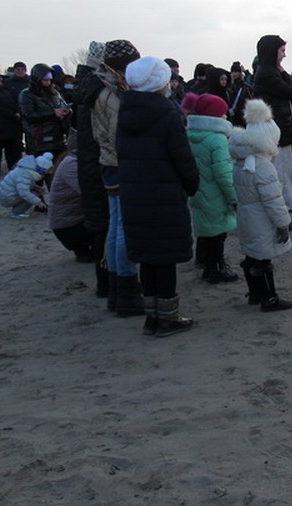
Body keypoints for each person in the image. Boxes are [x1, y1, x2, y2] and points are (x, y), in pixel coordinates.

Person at [118, 56, 200, 337]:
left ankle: (151, 318)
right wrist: (191, 184)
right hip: (164, 195)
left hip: (134, 195)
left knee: (147, 259)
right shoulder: (167, 114)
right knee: (165, 259)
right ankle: (167, 319)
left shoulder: (124, 112)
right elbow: (182, 157)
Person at [92, 39, 145, 317]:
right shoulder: (113, 94)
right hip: (120, 164)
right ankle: (126, 290)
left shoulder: (104, 89)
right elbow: (119, 133)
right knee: (123, 228)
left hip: (109, 163)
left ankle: (116, 289)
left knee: (115, 227)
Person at [228, 99, 292, 311]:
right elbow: (273, 201)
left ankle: (255, 293)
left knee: (251, 255)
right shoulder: (263, 167)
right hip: (262, 220)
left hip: (246, 216)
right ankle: (270, 298)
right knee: (264, 259)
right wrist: (284, 223)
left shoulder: (241, 162)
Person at [186, 92, 239, 283]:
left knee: (204, 227)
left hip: (198, 190)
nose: (226, 116)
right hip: (216, 193)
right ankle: (215, 267)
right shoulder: (217, 139)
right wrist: (234, 197)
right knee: (217, 233)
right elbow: (223, 173)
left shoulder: (191, 135)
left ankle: (203, 260)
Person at [74, 40, 111, 299]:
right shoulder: (99, 90)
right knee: (106, 227)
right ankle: (108, 284)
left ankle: (105, 283)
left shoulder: (86, 87)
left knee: (102, 226)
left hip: (92, 164)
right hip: (102, 164)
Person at [252, 35, 292, 212]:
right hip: (276, 132)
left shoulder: (267, 71)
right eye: (281, 50)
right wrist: (284, 73)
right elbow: (291, 93)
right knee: (281, 174)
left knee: (288, 173)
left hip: (281, 128)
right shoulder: (267, 73)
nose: (284, 55)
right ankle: (281, 208)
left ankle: (286, 206)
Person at [47, 134, 95, 262]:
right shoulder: (71, 165)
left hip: (67, 225)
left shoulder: (69, 161)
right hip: (68, 227)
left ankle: (84, 249)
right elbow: (89, 192)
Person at [19, 63, 71, 160]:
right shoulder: (27, 94)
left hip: (58, 138)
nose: (48, 82)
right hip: (38, 140)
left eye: (50, 80)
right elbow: (28, 115)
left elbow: (63, 104)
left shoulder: (54, 93)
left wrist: (67, 112)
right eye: (45, 80)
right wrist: (53, 113)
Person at [0, 152, 54, 218]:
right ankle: (17, 213)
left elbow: (25, 184)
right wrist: (38, 202)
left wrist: (37, 187)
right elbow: (23, 192)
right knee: (33, 196)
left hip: (7, 194)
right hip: (8, 197)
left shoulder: (25, 170)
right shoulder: (25, 175)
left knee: (34, 193)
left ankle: (17, 211)